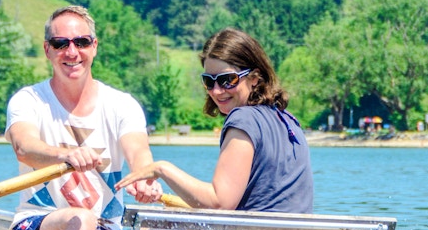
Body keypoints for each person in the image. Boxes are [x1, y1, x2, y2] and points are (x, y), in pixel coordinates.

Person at [5, 5, 163, 230]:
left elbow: (139, 154)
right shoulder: (28, 100)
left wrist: (145, 179)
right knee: (81, 220)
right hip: (37, 225)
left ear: (94, 46)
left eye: (81, 42)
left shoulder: (122, 105)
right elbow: (24, 146)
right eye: (60, 44)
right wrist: (65, 155)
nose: (72, 52)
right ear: (47, 50)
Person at [115, 28, 313, 213]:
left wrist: (161, 169)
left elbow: (220, 202)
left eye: (228, 80)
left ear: (254, 77)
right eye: (209, 81)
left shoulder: (243, 119)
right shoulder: (287, 120)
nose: (217, 91)